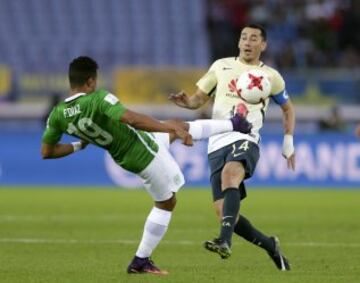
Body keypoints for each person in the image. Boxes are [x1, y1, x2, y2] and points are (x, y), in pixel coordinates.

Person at [41, 56, 252, 275]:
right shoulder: (98, 98)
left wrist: (77, 146)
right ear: (91, 81)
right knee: (167, 202)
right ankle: (140, 260)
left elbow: (47, 152)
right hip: (142, 151)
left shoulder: (57, 115)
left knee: (178, 125)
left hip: (126, 151)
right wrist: (164, 129)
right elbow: (131, 118)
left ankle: (234, 124)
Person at [169, 24, 296, 271]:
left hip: (246, 136)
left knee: (231, 175)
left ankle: (224, 241)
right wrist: (187, 103)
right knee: (226, 214)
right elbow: (199, 99)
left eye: (254, 38)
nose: (248, 42)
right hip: (216, 141)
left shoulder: (272, 76)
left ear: (263, 45)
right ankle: (271, 246)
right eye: (244, 37)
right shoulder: (220, 66)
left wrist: (288, 141)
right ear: (239, 42)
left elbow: (288, 108)